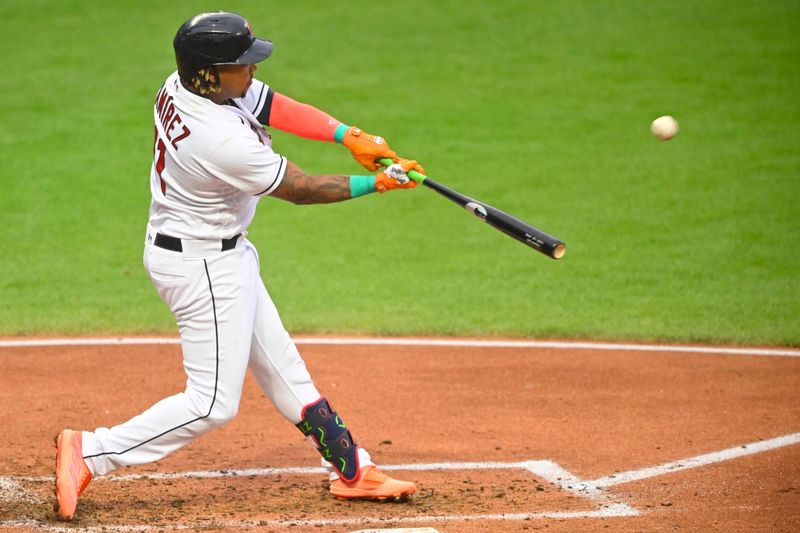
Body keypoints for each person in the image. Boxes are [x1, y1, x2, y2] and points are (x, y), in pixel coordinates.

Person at [54, 11, 424, 521]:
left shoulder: (189, 83)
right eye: (241, 64)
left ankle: (351, 468)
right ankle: (91, 451)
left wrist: (347, 134)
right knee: (211, 403)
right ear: (210, 72)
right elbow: (298, 188)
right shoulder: (218, 137)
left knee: (282, 366)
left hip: (218, 253)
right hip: (201, 263)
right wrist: (378, 184)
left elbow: (269, 103)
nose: (251, 71)